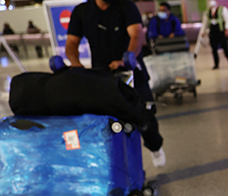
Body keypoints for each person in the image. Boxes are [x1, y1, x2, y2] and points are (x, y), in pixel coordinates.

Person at [65, 0, 166, 167]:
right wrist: (75, 62)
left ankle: (155, 146)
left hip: (133, 72)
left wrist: (125, 59)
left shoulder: (126, 6)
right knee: (109, 122)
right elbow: (72, 42)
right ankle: (118, 165)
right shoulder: (82, 12)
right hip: (103, 76)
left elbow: (136, 35)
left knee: (146, 117)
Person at [202, 0, 228, 69]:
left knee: (225, 46)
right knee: (214, 48)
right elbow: (205, 22)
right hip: (212, 33)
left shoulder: (222, 9)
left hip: (221, 32)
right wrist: (203, 31)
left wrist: (227, 28)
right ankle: (216, 64)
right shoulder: (207, 12)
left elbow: (227, 19)